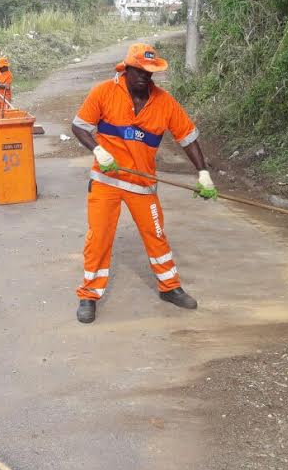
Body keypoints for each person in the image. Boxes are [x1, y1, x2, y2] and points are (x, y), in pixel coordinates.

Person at [71, 43, 217, 324]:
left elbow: (187, 137)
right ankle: (89, 294)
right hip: (107, 181)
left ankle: (169, 287)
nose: (144, 78)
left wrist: (203, 173)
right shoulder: (103, 92)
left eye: (149, 73)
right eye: (138, 71)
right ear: (126, 69)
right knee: (99, 239)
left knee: (156, 235)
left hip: (142, 184)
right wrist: (99, 151)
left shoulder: (164, 102)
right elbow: (79, 126)